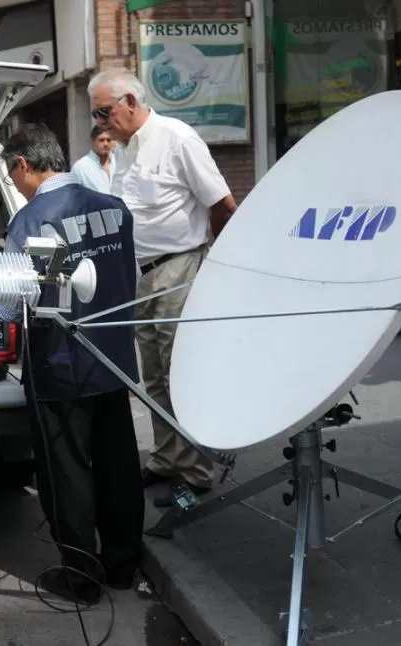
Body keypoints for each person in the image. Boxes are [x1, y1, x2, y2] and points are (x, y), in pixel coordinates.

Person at [0, 123, 144, 604]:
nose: (15, 183)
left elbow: (9, 304)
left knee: (68, 473)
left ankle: (83, 577)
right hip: (114, 357)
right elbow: (130, 276)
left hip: (60, 366)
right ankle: (123, 565)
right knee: (118, 464)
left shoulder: (32, 221)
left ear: (23, 165)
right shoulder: (114, 208)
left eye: (11, 172)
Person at [88, 68, 238, 507]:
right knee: (153, 376)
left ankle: (197, 471)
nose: (100, 123)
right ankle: (168, 457)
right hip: (140, 274)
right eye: (96, 115)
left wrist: (217, 265)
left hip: (179, 269)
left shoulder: (177, 138)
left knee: (182, 374)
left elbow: (223, 205)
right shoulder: (123, 149)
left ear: (131, 101)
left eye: (104, 111)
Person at [70, 124, 117, 193]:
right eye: (101, 140)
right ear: (92, 141)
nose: (106, 144)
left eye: (108, 140)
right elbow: (73, 195)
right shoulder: (80, 168)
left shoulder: (119, 162)